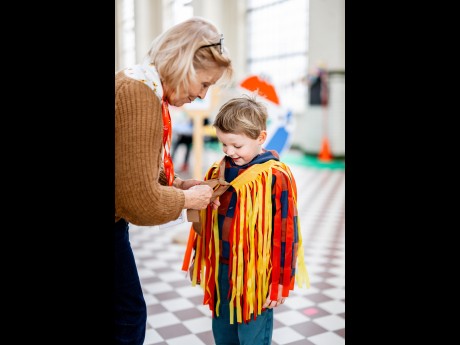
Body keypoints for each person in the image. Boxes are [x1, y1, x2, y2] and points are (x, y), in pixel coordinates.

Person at [115, 17, 232, 344]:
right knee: (127, 316)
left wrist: (180, 185)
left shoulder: (146, 87)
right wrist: (188, 201)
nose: (201, 94)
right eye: (204, 84)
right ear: (184, 64)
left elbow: (136, 171)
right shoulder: (139, 94)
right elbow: (139, 203)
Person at [182, 95, 309, 345]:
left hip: (256, 276)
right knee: (223, 331)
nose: (229, 152)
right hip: (222, 268)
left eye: (236, 146)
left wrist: (280, 282)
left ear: (261, 138)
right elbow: (208, 221)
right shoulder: (220, 170)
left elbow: (286, 232)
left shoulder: (275, 176)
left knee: (252, 336)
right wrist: (201, 254)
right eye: (223, 144)